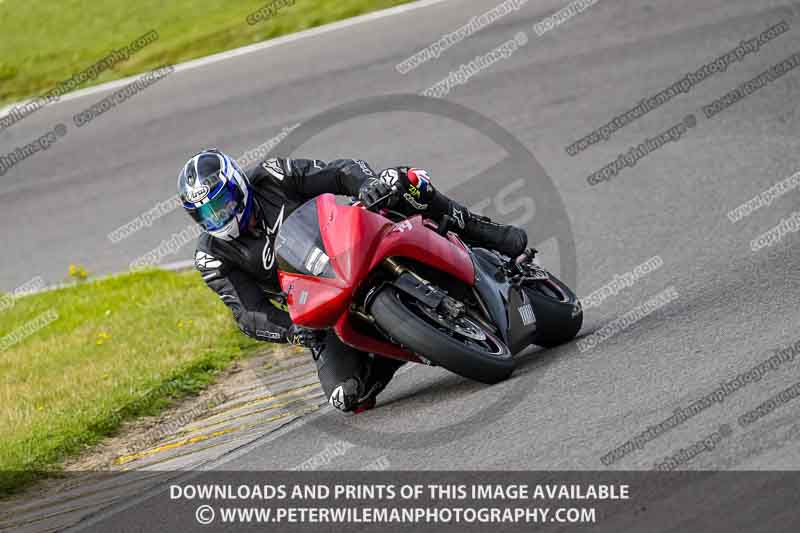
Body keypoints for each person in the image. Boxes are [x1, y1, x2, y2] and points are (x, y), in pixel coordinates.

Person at [178, 149, 527, 413]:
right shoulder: (211, 256)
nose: (218, 217)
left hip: (351, 243)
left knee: (400, 180)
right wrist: (291, 330)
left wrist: (368, 185)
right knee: (347, 398)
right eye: (206, 213)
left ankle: (486, 233)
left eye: (222, 204)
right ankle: (406, 341)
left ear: (237, 187)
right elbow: (248, 313)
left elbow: (339, 171)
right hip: (321, 304)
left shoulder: (272, 175)